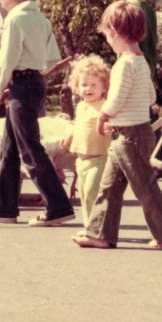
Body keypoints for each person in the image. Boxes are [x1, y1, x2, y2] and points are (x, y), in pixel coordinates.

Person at [72, 1, 162, 249]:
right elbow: (151, 98)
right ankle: (99, 233)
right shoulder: (140, 60)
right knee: (109, 186)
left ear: (115, 31)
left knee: (145, 187)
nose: (108, 40)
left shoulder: (123, 64)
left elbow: (117, 97)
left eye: (108, 35)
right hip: (132, 133)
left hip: (129, 137)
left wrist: (105, 115)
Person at [0, 0, 75, 227]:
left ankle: (58, 206)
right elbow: (52, 57)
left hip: (22, 84)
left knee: (30, 148)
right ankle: (4, 208)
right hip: (33, 82)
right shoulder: (41, 19)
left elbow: (6, 60)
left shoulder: (15, 20)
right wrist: (33, 68)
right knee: (8, 148)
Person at [114, 0, 162, 179]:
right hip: (147, 59)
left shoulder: (128, 7)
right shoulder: (147, 6)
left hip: (133, 58)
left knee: (138, 113)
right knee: (144, 109)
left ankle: (156, 158)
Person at [61, 55, 112, 228]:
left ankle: (95, 228)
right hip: (81, 161)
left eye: (94, 85)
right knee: (84, 194)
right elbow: (78, 125)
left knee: (92, 193)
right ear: (76, 86)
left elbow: (109, 123)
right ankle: (88, 226)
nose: (88, 89)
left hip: (99, 159)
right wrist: (68, 139)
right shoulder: (82, 105)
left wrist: (108, 127)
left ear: (104, 86)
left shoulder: (104, 106)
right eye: (83, 84)